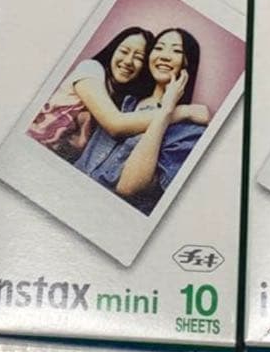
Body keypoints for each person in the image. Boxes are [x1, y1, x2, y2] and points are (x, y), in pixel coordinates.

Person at [75, 28, 209, 214]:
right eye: (159, 48)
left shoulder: (189, 131)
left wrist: (166, 111)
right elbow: (113, 124)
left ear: (188, 63)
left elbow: (128, 188)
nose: (164, 56)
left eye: (176, 50)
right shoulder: (122, 100)